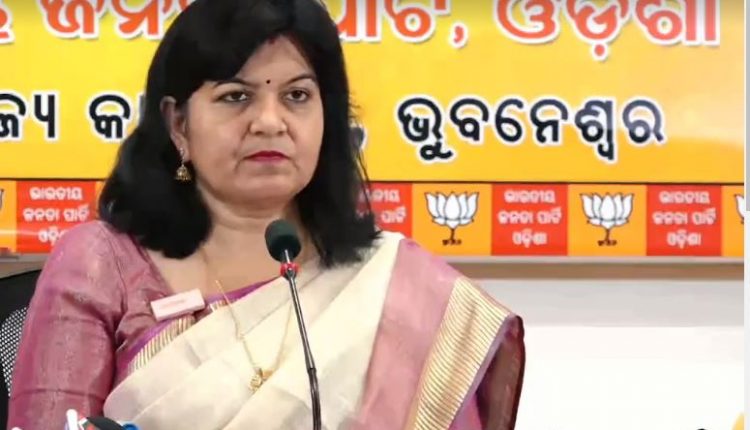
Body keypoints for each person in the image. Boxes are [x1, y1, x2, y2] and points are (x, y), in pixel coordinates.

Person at [8, 0, 525, 429]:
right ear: (179, 125)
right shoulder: (102, 263)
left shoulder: (396, 287)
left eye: (297, 95)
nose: (270, 122)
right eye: (236, 97)